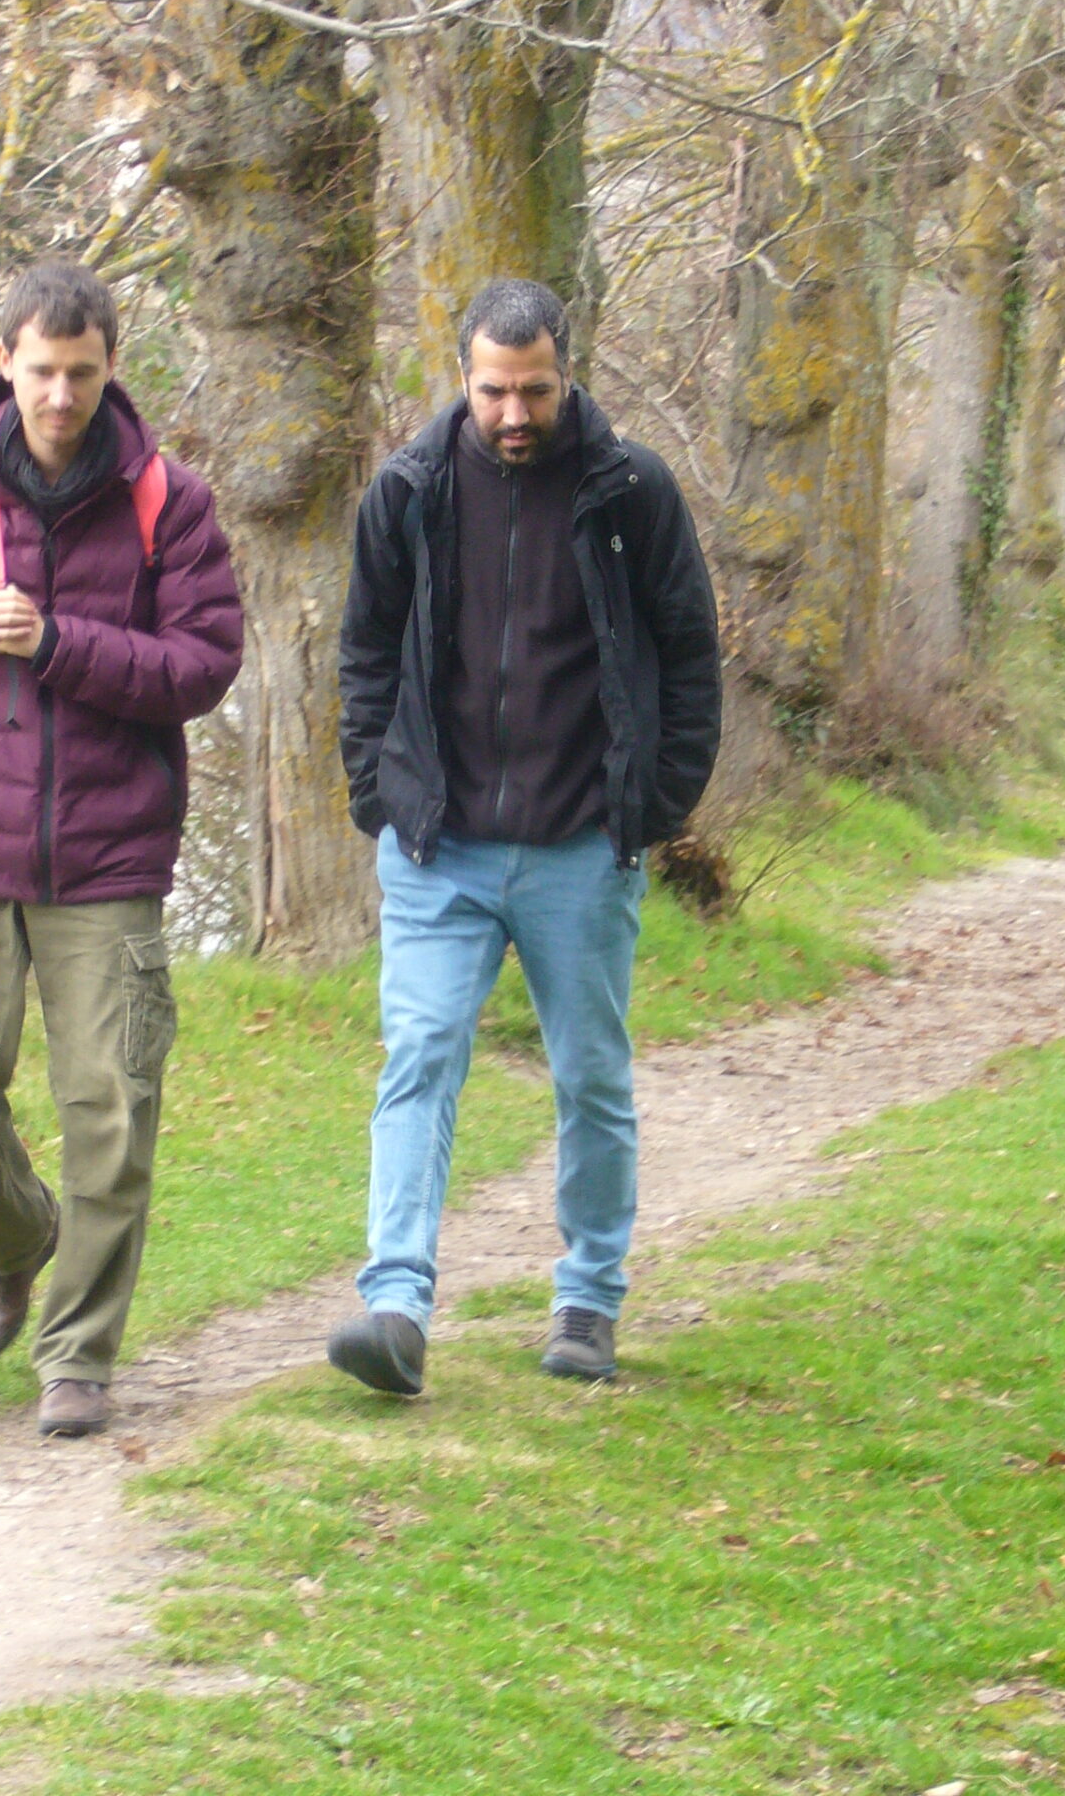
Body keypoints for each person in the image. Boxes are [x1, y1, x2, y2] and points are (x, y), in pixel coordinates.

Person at [0, 260, 242, 1437]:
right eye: (40, 371)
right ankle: (15, 1241)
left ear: (111, 365)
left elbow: (205, 667)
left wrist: (66, 644)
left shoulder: (172, 502)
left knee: (112, 1105)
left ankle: (78, 1357)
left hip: (110, 852)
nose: (60, 394)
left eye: (81, 372)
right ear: (4, 363)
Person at [329, 277, 720, 1395]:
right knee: (420, 1061)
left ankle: (588, 1300)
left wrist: (652, 807)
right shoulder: (404, 492)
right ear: (464, 378)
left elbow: (689, 653)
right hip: (436, 848)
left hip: (578, 851)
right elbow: (363, 656)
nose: (514, 414)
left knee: (590, 1075)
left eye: (535, 391)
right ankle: (395, 1308)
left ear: (567, 373)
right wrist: (380, 793)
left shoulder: (631, 489)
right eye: (495, 391)